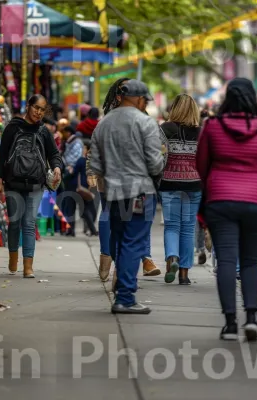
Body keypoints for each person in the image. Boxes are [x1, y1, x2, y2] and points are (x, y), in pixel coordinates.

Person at [197, 78, 257, 341]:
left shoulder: (212, 126)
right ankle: (253, 318)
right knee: (250, 261)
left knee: (225, 261)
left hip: (221, 201)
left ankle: (231, 323)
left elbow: (201, 166)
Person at [90, 79, 164, 314]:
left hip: (113, 193)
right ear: (140, 100)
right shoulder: (145, 123)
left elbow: (95, 163)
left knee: (120, 240)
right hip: (139, 192)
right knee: (134, 242)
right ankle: (125, 297)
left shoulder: (103, 124)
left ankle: (122, 292)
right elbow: (154, 164)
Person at [0, 94, 62, 278]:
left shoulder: (43, 131)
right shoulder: (12, 128)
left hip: (35, 184)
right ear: (28, 107)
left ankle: (28, 266)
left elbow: (54, 154)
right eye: (36, 108)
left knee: (29, 223)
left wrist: (56, 167)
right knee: (15, 223)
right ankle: (13, 257)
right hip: (13, 183)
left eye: (42, 110)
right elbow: (2, 157)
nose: (38, 112)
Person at [159, 94, 203, 285]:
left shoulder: (165, 129)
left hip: (169, 183)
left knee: (171, 226)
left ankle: (172, 258)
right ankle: (184, 275)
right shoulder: (201, 132)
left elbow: (158, 156)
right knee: (188, 229)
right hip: (194, 184)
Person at [61, 125, 84, 236]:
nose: (63, 134)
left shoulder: (76, 143)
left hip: (73, 178)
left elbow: (75, 159)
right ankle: (69, 228)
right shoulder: (68, 142)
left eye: (64, 132)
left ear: (69, 132)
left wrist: (64, 161)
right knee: (68, 204)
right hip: (68, 176)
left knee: (70, 204)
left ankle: (71, 229)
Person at [73, 143, 98, 236]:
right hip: (91, 186)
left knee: (85, 209)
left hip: (82, 187)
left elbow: (75, 172)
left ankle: (92, 229)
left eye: (84, 148)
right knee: (91, 207)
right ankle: (91, 229)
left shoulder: (81, 160)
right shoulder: (94, 161)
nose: (82, 150)